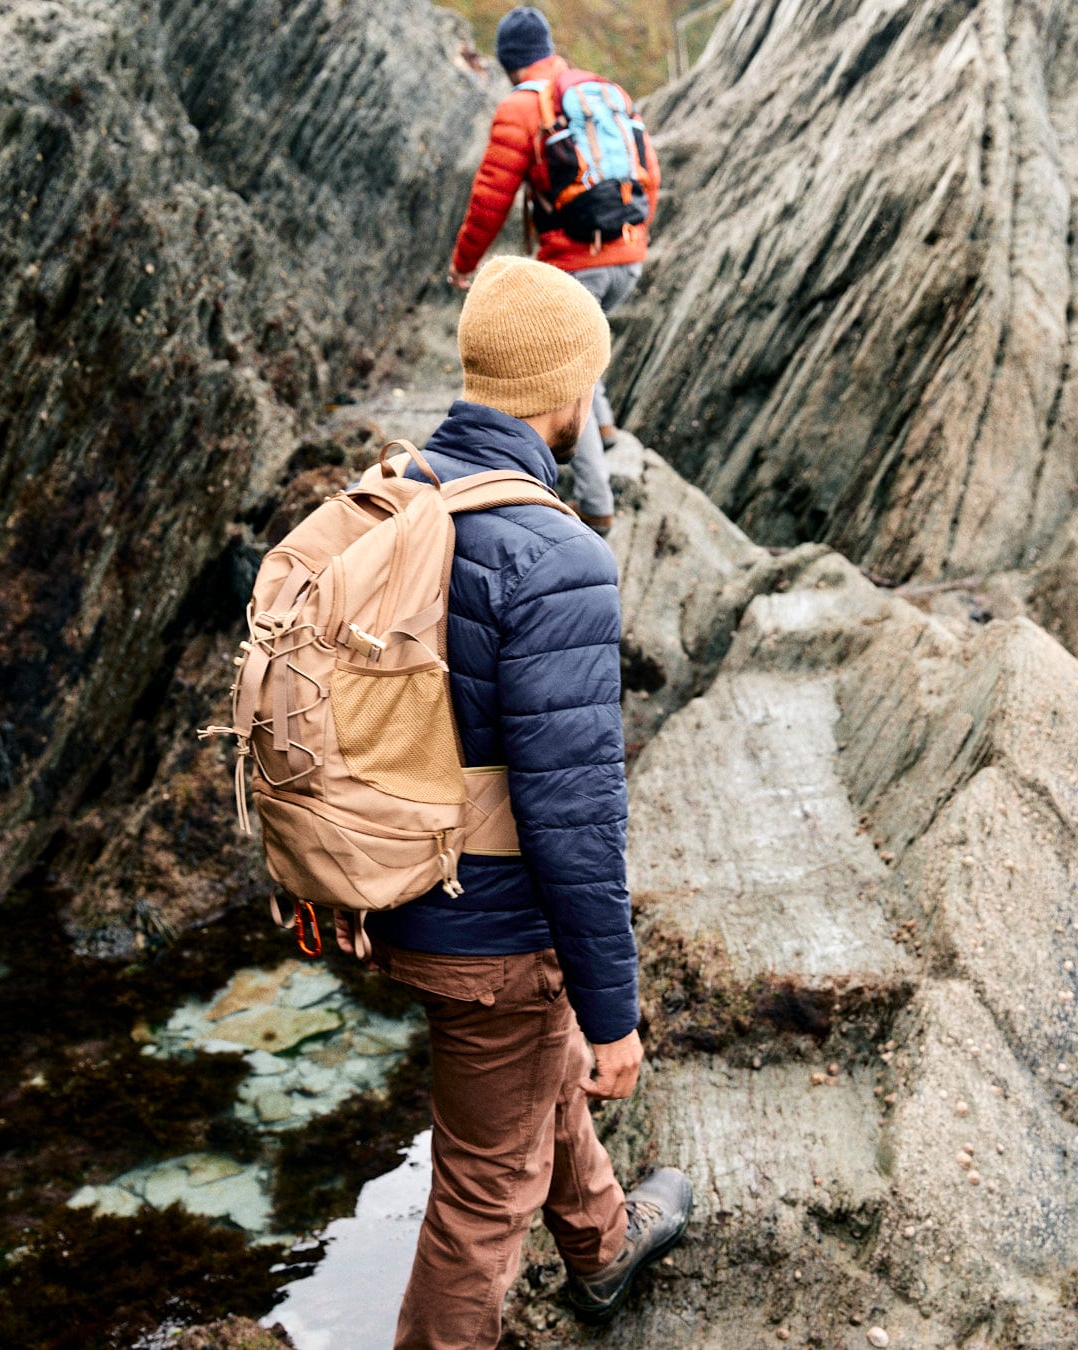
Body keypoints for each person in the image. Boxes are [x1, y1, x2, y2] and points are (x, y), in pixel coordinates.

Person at [336, 256, 691, 1349]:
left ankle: (602, 1242)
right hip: (490, 933)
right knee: (483, 1194)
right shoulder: (557, 554)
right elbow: (574, 815)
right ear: (569, 394)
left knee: (526, 1083)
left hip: (390, 888)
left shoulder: (391, 499)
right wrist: (614, 1013)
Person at [447, 5, 661, 537]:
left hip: (574, 266)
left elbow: (490, 200)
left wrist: (463, 265)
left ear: (509, 62)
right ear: (550, 49)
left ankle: (595, 505)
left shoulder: (521, 110)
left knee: (566, 380)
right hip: (629, 257)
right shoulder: (604, 93)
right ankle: (607, 430)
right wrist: (631, 239)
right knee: (586, 345)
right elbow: (650, 175)